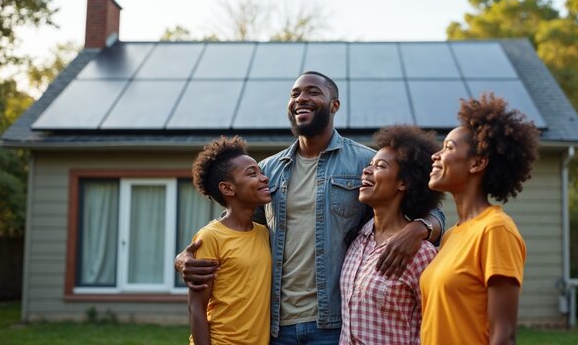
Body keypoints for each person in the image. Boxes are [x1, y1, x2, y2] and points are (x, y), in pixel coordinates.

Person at [176, 71, 445, 344]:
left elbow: (427, 209)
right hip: (276, 326)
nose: (301, 98)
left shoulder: (364, 162)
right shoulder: (270, 169)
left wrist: (419, 229)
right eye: (295, 94)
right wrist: (187, 257)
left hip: (333, 326)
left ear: (334, 105)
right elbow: (238, 225)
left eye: (313, 92)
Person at [420, 93, 539, 344]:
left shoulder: (496, 230)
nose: (436, 155)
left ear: (477, 163)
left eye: (448, 148)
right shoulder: (453, 234)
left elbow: (503, 336)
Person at [340, 125, 443, 344]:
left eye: (380, 166)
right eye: (369, 165)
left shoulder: (420, 253)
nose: (366, 171)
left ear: (403, 183)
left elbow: (432, 327)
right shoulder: (357, 240)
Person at [187, 135, 272, 345]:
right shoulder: (210, 237)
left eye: (261, 172)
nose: (264, 178)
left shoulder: (265, 233)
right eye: (252, 174)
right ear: (228, 188)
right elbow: (196, 306)